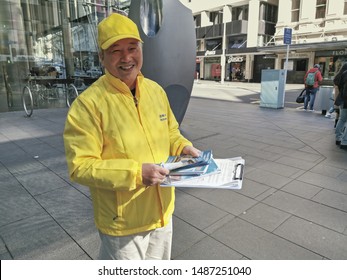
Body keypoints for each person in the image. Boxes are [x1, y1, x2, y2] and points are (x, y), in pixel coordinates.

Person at [63, 13, 200, 260]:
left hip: (162, 213)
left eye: (132, 48)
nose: (126, 57)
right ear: (102, 57)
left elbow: (170, 131)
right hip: (122, 224)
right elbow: (80, 166)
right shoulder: (88, 105)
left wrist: (183, 146)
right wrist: (136, 174)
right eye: (115, 51)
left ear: (141, 50)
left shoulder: (155, 91)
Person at [333, 62, 347, 149]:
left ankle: (338, 138)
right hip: (345, 101)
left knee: (341, 119)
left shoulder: (340, 75)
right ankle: (344, 141)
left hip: (341, 100)